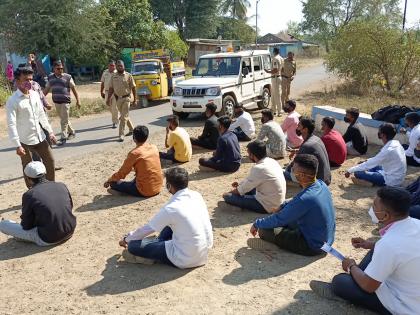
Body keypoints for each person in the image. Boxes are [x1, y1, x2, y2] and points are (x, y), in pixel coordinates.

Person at [310, 186, 420, 315]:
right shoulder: (415, 223)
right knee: (375, 251)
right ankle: (359, 278)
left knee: (340, 282)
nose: (372, 208)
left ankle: (349, 289)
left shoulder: (389, 244)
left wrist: (351, 266)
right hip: (412, 289)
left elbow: (369, 286)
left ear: (385, 215)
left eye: (374, 205)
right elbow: (403, 249)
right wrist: (371, 244)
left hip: (406, 305)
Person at [118, 167, 213, 268]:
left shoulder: (171, 208)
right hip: (203, 253)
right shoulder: (196, 195)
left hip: (184, 258)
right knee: (173, 222)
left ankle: (157, 244)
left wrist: (126, 239)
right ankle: (158, 242)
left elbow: (148, 229)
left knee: (133, 246)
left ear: (169, 186)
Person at [250, 154, 336, 256]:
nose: (291, 172)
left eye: (293, 169)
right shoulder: (321, 184)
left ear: (302, 175)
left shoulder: (305, 199)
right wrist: (282, 205)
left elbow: (279, 218)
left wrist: (257, 223)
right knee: (285, 218)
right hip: (326, 239)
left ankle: (277, 244)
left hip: (312, 246)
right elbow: (296, 201)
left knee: (264, 230)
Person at [0, 161, 76, 246]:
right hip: (70, 230)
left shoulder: (29, 194)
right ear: (45, 173)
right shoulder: (61, 185)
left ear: (28, 178)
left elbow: (26, 226)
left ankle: (19, 237)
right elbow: (70, 207)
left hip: (48, 238)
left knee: (3, 224)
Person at [6, 66, 57, 188]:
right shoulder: (13, 100)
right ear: (17, 81)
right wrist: (17, 145)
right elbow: (11, 123)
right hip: (24, 141)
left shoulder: (34, 95)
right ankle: (32, 191)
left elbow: (41, 115)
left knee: (50, 161)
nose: (29, 82)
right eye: (25, 80)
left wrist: (50, 132)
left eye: (30, 79)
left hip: (39, 137)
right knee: (28, 167)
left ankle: (50, 188)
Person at [223, 140, 286, 213]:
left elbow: (242, 189)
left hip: (267, 206)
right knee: (246, 188)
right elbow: (250, 181)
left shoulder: (259, 168)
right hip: (277, 202)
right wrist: (240, 185)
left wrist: (230, 192)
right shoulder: (272, 161)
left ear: (252, 155)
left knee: (227, 196)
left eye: (249, 154)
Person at [104, 125, 163, 197]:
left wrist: (109, 180)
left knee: (113, 183)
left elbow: (122, 173)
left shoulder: (134, 153)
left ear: (134, 138)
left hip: (145, 191)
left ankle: (124, 192)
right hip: (158, 186)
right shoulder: (154, 147)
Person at [284, 117, 331, 185]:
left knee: (280, 172)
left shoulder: (306, 145)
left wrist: (287, 169)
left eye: (299, 126)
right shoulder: (316, 138)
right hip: (326, 178)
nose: (297, 128)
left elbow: (293, 165)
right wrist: (296, 151)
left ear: (305, 129)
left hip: (317, 182)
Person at [44, 61, 81, 146]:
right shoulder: (50, 78)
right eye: (58, 68)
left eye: (61, 68)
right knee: (64, 119)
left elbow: (74, 89)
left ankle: (63, 138)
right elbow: (46, 89)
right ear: (54, 69)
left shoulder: (68, 77)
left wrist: (78, 100)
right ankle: (72, 132)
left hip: (65, 101)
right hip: (56, 102)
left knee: (63, 121)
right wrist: (41, 99)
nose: (60, 70)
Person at [107, 60, 136, 142]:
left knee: (123, 117)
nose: (120, 67)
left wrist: (135, 100)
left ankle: (121, 135)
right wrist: (108, 99)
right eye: (118, 66)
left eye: (121, 65)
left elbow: (134, 88)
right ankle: (132, 129)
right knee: (125, 115)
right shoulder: (113, 76)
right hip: (118, 99)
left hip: (127, 98)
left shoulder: (128, 76)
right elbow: (111, 88)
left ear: (124, 66)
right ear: (116, 67)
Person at [264, 47, 283, 116]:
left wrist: (268, 71)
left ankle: (280, 111)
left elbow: (275, 69)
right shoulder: (281, 58)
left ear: (274, 51)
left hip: (275, 77)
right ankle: (273, 110)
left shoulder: (275, 59)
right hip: (277, 77)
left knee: (277, 95)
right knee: (274, 95)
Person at [100, 60, 118, 129]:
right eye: (111, 65)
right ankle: (117, 117)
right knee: (109, 107)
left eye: (113, 65)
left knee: (115, 108)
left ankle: (115, 122)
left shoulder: (117, 73)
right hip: (107, 92)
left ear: (115, 66)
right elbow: (102, 83)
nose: (112, 67)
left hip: (115, 92)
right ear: (108, 66)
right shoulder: (105, 72)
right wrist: (101, 91)